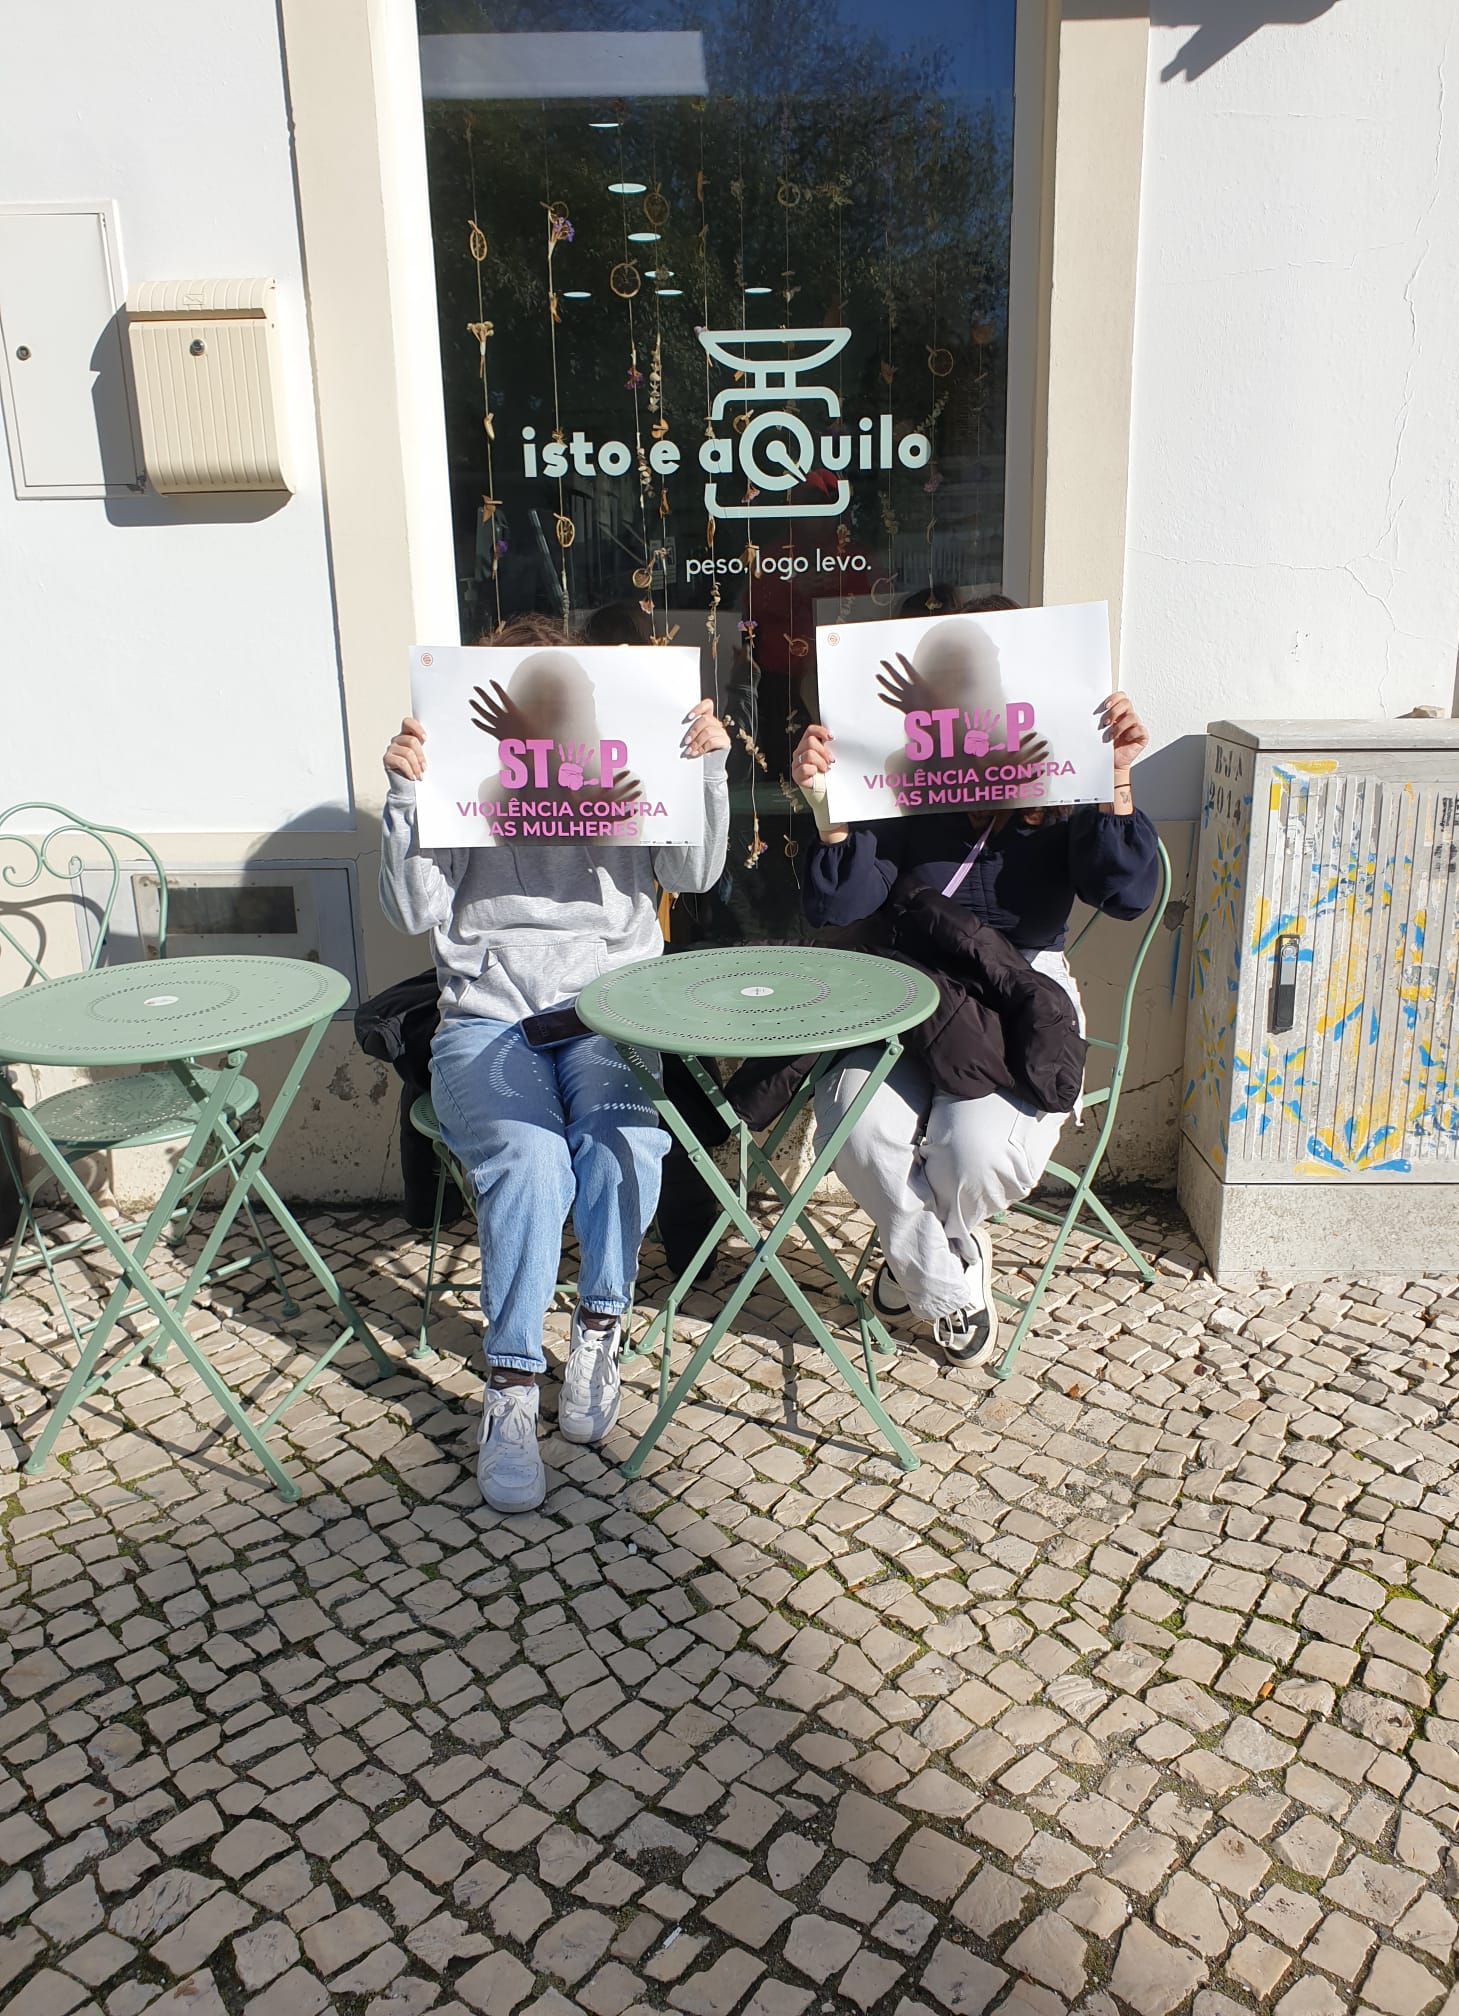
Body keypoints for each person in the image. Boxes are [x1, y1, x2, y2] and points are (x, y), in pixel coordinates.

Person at [381, 613, 730, 1512]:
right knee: (531, 1159)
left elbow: (692, 875)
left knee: (624, 1144)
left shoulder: (627, 765)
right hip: (488, 1016)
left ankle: (600, 1325)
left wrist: (704, 769)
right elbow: (414, 909)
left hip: (609, 1008)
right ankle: (509, 1383)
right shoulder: (465, 775)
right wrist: (407, 795)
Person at [790, 595, 1160, 1369]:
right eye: (950, 681)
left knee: (979, 1152)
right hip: (908, 984)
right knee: (857, 1124)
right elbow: (840, 906)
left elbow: (1126, 894)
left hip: (1018, 984)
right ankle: (946, 1272)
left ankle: (915, 1257)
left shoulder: (1059, 765)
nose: (968, 698)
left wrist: (1114, 780)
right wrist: (831, 810)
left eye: (983, 676)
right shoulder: (896, 773)